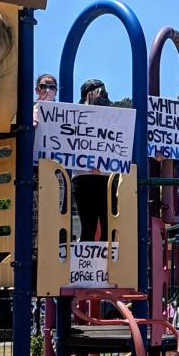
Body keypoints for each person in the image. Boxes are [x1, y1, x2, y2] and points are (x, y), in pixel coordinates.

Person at [72, 79, 114, 242]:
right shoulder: (75, 115)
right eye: (96, 91)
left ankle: (106, 266)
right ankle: (85, 266)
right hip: (83, 177)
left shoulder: (113, 117)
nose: (101, 94)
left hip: (106, 178)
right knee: (88, 226)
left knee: (108, 226)